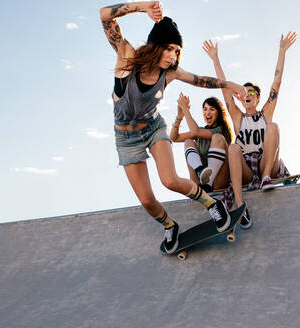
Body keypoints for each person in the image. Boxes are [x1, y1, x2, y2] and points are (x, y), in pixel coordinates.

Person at [100, 1, 247, 253]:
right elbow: (104, 16)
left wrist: (229, 83)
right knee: (146, 200)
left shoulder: (170, 73)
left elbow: (200, 81)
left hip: (153, 129)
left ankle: (212, 204)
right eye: (169, 49)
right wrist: (142, 7)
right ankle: (170, 226)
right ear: (156, 45)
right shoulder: (128, 57)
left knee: (169, 180)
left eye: (177, 51)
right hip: (126, 139)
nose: (173, 56)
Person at [202, 32, 297, 229]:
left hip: (266, 163)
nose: (248, 94)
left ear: (257, 98)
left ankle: (265, 178)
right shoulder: (238, 118)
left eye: (252, 92)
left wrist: (282, 51)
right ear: (241, 97)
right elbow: (224, 91)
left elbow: (276, 84)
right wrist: (215, 59)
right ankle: (240, 204)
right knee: (233, 148)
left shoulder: (264, 114)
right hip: (245, 168)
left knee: (273, 127)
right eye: (244, 92)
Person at [169, 93, 234, 193]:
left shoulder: (220, 130)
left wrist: (185, 109)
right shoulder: (201, 131)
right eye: (205, 109)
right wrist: (179, 116)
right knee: (188, 142)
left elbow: (196, 132)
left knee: (217, 138)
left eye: (212, 109)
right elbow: (174, 137)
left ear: (219, 113)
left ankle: (208, 183)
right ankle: (200, 171)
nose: (207, 112)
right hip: (200, 184)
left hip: (219, 182)